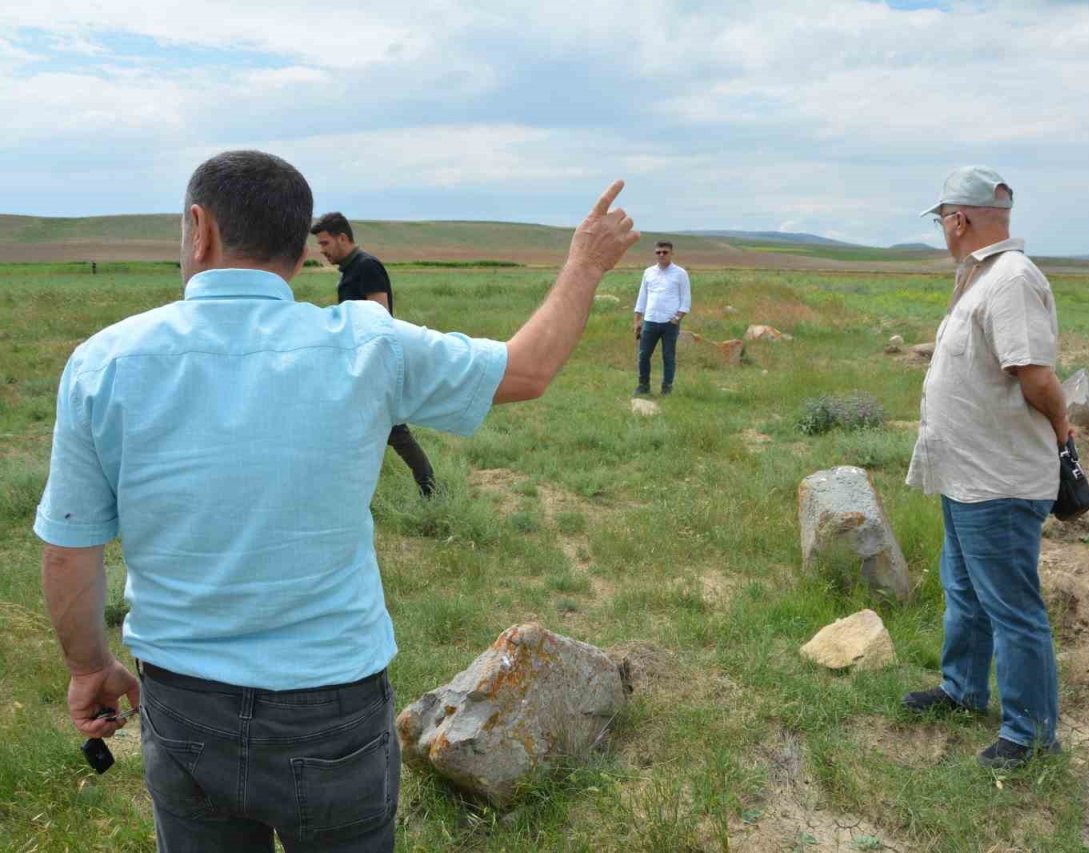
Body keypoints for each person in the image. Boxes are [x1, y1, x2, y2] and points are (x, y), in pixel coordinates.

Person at [34, 149, 638, 851]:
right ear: (298, 248)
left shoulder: (105, 362)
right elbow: (528, 368)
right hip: (333, 708)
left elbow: (69, 551)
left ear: (199, 228)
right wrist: (586, 265)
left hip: (184, 699)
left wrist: (88, 667)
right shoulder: (365, 346)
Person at [901, 165, 1073, 770]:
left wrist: (1061, 427)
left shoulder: (1011, 280)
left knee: (1012, 609)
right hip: (967, 474)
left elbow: (1035, 375)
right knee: (965, 594)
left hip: (999, 481)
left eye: (942, 222)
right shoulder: (980, 277)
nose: (942, 233)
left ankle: (1030, 734)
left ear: (958, 219)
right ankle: (963, 689)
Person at [310, 212, 437, 498]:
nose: (323, 251)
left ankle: (430, 490)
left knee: (396, 432)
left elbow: (380, 318)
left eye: (325, 243)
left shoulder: (367, 266)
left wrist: (368, 364)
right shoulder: (352, 269)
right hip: (358, 362)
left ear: (343, 238)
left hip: (372, 363)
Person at [632, 240, 691, 396]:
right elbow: (642, 297)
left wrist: (677, 318)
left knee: (668, 356)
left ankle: (667, 388)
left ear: (672, 253)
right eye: (658, 252)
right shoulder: (648, 272)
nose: (661, 255)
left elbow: (686, 299)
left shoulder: (680, 273)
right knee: (644, 355)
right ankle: (643, 385)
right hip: (650, 320)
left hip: (669, 322)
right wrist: (638, 320)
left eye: (665, 252)